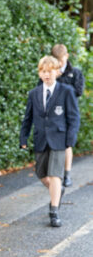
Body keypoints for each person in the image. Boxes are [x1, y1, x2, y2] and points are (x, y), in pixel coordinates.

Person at [20, 56, 80, 227]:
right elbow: (28, 118)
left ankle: (54, 211)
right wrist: (23, 137)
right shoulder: (34, 93)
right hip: (40, 139)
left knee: (55, 175)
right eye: (44, 71)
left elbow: (73, 117)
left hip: (59, 139)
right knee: (42, 174)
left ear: (57, 72)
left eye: (50, 71)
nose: (47, 74)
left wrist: (70, 138)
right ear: (40, 73)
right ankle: (58, 189)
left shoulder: (66, 91)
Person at [51, 44, 85, 187]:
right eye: (57, 60)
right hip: (53, 113)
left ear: (67, 56)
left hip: (69, 113)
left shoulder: (75, 73)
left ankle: (67, 174)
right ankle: (54, 173)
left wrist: (60, 81)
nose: (59, 63)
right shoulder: (50, 73)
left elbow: (78, 91)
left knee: (67, 144)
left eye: (61, 60)